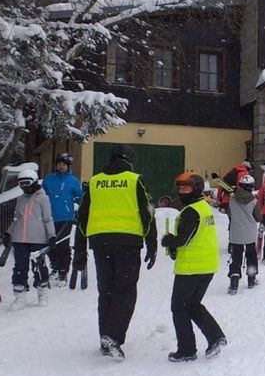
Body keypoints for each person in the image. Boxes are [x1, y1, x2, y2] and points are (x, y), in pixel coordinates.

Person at [76, 144, 158, 361]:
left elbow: (82, 217)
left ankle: (105, 338)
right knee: (125, 291)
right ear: (130, 160)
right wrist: (152, 243)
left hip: (100, 243)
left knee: (107, 291)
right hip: (127, 242)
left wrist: (80, 250)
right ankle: (114, 337)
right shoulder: (134, 180)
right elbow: (147, 213)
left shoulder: (94, 182)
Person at [161, 172, 227, 362]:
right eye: (180, 188)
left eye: (186, 188)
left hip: (191, 268)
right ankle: (215, 337)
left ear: (196, 189)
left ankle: (187, 350)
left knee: (179, 308)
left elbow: (183, 239)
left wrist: (169, 241)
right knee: (192, 305)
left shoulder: (191, 211)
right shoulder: (203, 208)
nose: (182, 192)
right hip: (207, 265)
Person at [4, 168, 56, 311]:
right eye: (21, 185)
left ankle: (42, 293)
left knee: (38, 266)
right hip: (20, 238)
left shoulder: (43, 198)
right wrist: (9, 233)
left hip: (38, 238)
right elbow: (17, 219)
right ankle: (19, 296)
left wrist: (51, 235)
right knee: (20, 266)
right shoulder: (20, 199)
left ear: (34, 182)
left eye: (27, 184)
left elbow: (48, 218)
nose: (24, 187)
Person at [42, 152, 83, 286]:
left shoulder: (73, 181)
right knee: (50, 244)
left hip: (65, 218)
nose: (61, 167)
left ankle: (63, 271)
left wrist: (77, 211)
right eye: (59, 164)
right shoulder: (48, 179)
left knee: (63, 245)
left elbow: (79, 197)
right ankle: (55, 266)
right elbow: (42, 196)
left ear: (68, 166)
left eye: (64, 165)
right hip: (49, 217)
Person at [227, 174, 262, 294]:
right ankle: (251, 279)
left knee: (236, 257)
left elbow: (230, 214)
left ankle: (234, 281)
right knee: (251, 256)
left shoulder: (232, 198)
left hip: (236, 232)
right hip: (250, 233)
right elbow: (258, 217)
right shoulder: (253, 200)